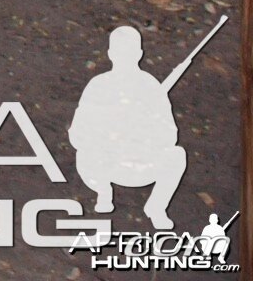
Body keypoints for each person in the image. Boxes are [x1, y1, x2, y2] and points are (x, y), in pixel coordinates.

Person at [70, 24, 189, 229]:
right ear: (111, 54)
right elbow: (77, 133)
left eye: (129, 52)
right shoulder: (98, 86)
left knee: (177, 155)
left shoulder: (151, 87)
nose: (124, 57)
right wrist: (108, 133)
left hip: (142, 163)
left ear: (139, 54)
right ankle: (103, 192)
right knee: (84, 154)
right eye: (120, 52)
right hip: (105, 164)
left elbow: (170, 135)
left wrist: (143, 131)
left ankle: (156, 207)